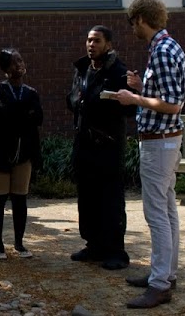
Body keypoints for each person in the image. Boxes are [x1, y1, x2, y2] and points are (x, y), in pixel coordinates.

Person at [114, 0, 185, 309]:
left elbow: (173, 104)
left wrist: (134, 99)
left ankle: (159, 284)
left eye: (133, 23)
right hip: (166, 139)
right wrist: (143, 89)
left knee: (156, 213)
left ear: (142, 19)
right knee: (167, 210)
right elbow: (167, 95)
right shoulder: (170, 47)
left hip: (159, 141)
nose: (133, 29)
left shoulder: (161, 50)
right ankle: (165, 275)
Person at [67, 26, 134, 270]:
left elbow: (130, 108)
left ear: (108, 44)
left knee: (110, 200)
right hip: (84, 144)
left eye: (96, 41)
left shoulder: (118, 71)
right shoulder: (82, 69)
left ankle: (116, 251)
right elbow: (72, 98)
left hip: (107, 145)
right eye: (88, 40)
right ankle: (93, 245)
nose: (91, 45)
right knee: (87, 198)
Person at [0, 48, 43, 260]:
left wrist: (11, 111)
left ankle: (19, 243)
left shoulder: (31, 92)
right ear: (6, 68)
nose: (20, 65)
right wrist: (22, 113)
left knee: (20, 198)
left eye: (21, 59)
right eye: (15, 62)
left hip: (24, 150)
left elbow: (38, 118)